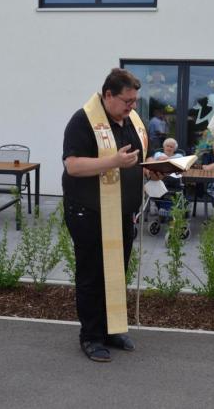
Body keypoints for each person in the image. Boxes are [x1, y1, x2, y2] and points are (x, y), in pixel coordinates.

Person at [62, 68, 162, 363]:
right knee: (92, 274)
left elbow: (139, 159)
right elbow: (73, 166)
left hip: (123, 211)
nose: (132, 106)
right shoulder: (82, 121)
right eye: (127, 101)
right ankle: (91, 336)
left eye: (134, 101)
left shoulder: (132, 120)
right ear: (108, 95)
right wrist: (113, 161)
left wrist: (154, 167)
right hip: (88, 211)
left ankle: (111, 329)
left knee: (117, 272)